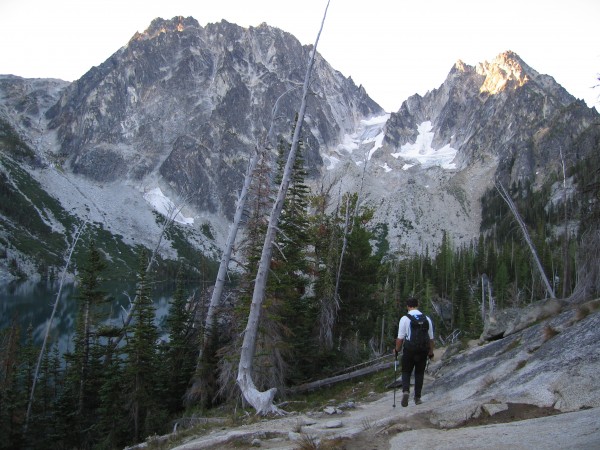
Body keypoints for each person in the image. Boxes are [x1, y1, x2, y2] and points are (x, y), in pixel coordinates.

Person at [394, 297, 434, 407]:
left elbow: (400, 338)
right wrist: (430, 352)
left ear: (407, 306)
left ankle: (406, 391)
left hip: (410, 349)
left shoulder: (405, 318)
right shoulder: (426, 318)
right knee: (419, 373)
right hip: (423, 349)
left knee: (406, 371)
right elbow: (431, 339)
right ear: (418, 305)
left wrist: (397, 350)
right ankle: (417, 398)